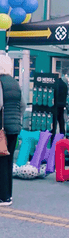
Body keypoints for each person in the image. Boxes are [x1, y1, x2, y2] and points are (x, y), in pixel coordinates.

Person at [0, 55, 26, 206]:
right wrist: (17, 119)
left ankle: (2, 197)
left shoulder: (0, 82)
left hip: (1, 128)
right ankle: (8, 195)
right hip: (14, 128)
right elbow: (23, 105)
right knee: (8, 161)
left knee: (1, 161)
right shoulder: (15, 83)